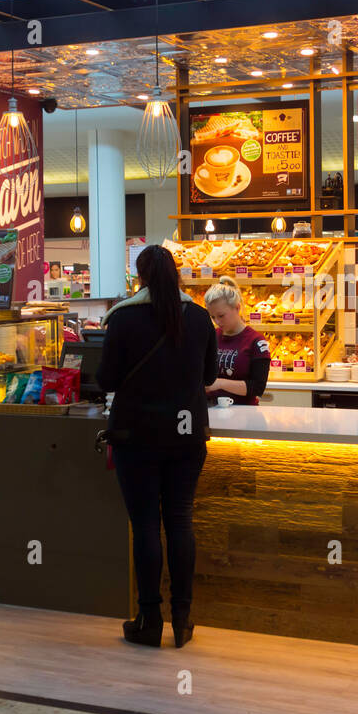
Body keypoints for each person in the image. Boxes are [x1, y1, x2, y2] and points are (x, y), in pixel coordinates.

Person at [97, 246, 216, 649]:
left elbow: (107, 378)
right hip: (187, 437)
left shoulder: (124, 318)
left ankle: (149, 619)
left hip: (137, 436)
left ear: (140, 276)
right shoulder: (199, 318)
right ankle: (183, 619)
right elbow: (211, 374)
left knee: (146, 524)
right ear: (177, 274)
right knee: (179, 521)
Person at [204, 276, 271, 406]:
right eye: (213, 317)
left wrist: (219, 383)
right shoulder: (211, 336)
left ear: (237, 308)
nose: (217, 322)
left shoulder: (256, 342)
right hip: (211, 410)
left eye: (221, 315)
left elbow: (257, 387)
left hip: (244, 413)